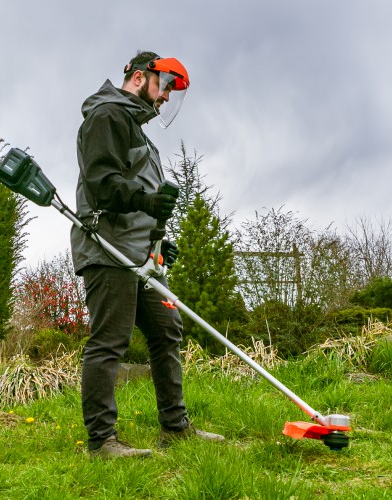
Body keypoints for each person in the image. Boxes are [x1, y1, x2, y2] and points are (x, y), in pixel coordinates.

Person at [71, 50, 225, 458]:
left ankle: (175, 428)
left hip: (141, 255)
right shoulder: (108, 117)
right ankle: (102, 442)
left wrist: (158, 239)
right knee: (110, 341)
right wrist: (145, 201)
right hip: (109, 248)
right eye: (167, 86)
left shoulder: (136, 131)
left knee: (166, 332)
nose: (168, 97)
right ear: (141, 78)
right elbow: (103, 184)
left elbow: (141, 200)